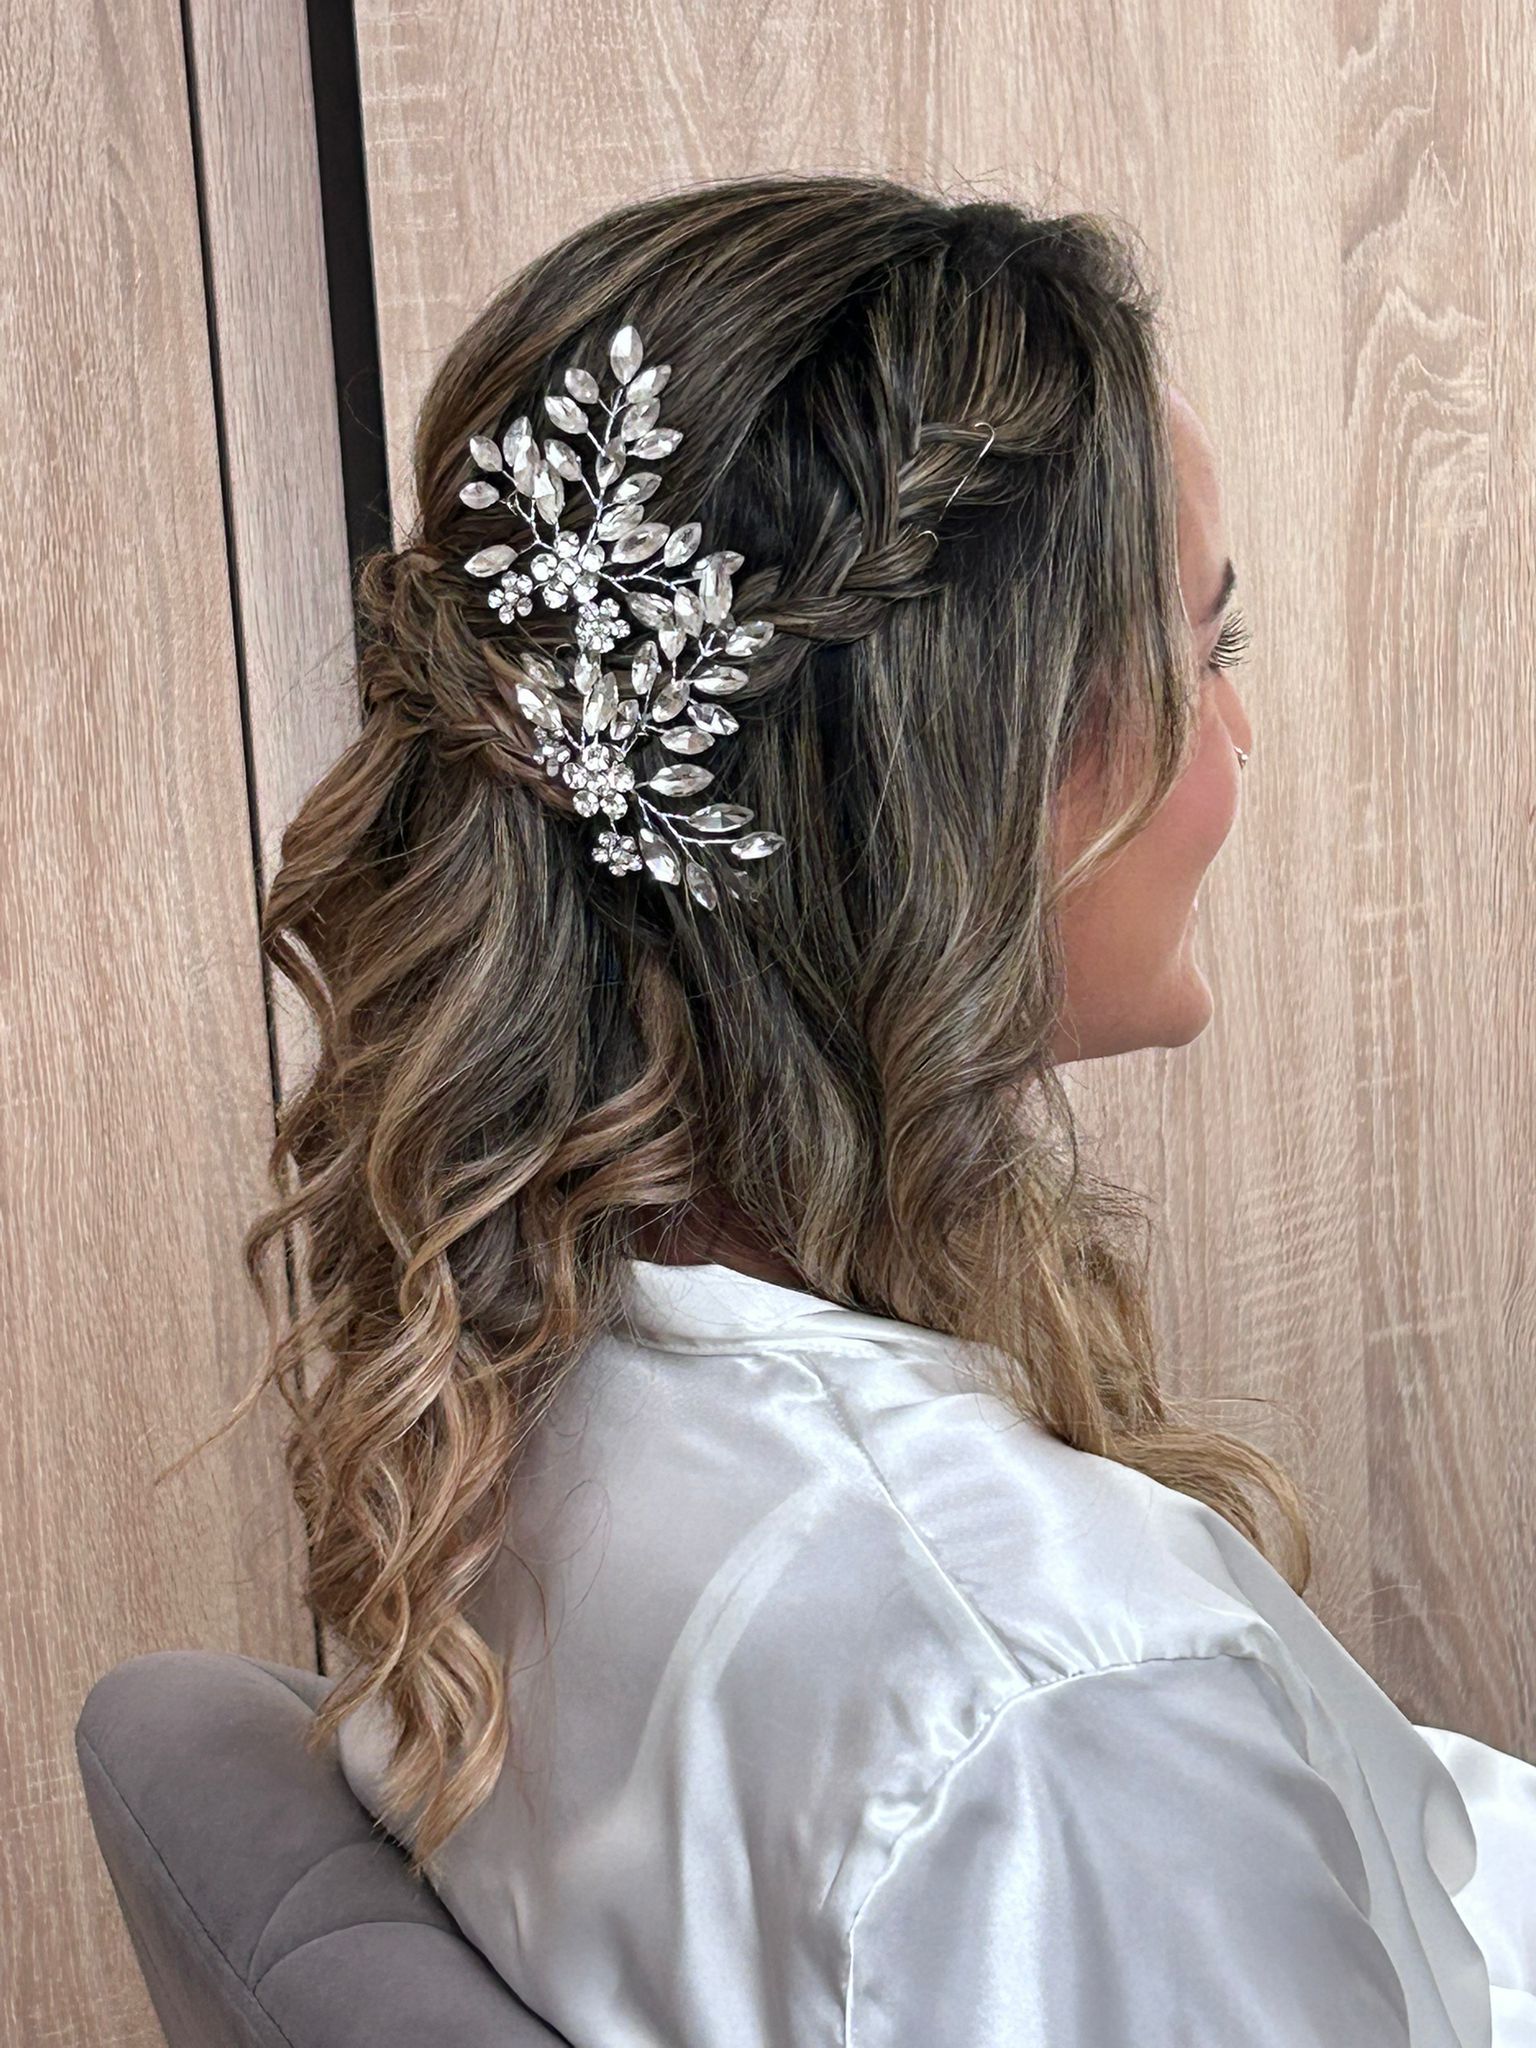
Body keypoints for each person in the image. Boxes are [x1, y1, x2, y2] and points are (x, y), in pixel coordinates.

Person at [229, 172, 1535, 2042]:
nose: (1238, 743)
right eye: (1207, 654)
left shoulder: (557, 1412)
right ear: (970, 769)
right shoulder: (1048, 1703)